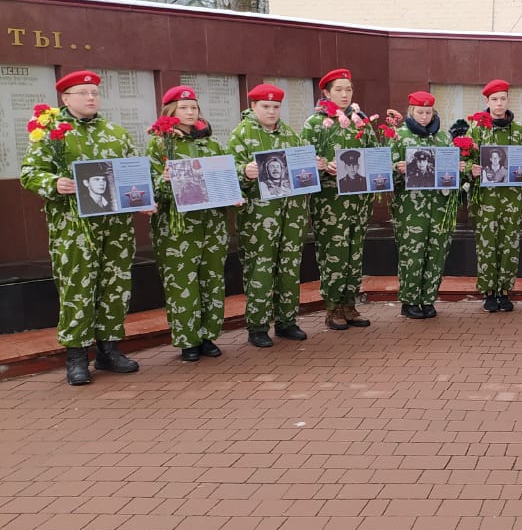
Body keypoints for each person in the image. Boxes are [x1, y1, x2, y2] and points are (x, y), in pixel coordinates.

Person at [19, 70, 142, 385]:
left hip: (116, 227)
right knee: (78, 287)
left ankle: (109, 350)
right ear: (65, 98)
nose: (91, 98)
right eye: (83, 93)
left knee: (115, 284)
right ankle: (76, 357)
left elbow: (133, 173)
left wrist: (143, 196)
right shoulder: (52, 133)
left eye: (95, 93)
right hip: (74, 227)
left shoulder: (116, 133)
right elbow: (29, 173)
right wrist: (54, 183)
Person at [147, 86, 233, 363]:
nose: (190, 112)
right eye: (183, 108)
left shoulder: (212, 144)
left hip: (212, 224)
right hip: (178, 228)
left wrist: (233, 191)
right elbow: (148, 189)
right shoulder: (159, 145)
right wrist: (163, 181)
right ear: (170, 111)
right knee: (182, 282)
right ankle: (188, 340)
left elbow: (226, 179)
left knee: (212, 279)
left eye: (193, 107)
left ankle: (208, 335)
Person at [227, 83, 316, 348]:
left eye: (276, 107)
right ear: (253, 106)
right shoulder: (241, 135)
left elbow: (301, 170)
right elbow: (226, 178)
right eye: (265, 106)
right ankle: (258, 326)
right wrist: (244, 172)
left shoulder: (289, 133)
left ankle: (287, 321)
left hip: (291, 214)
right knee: (260, 269)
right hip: (259, 217)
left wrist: (313, 166)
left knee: (289, 267)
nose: (271, 111)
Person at [302, 68, 375, 330]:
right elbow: (303, 162)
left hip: (358, 200)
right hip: (330, 202)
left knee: (354, 253)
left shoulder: (361, 121)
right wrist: (322, 165)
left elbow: (374, 154)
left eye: (349, 89)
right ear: (326, 92)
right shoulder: (316, 123)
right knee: (334, 253)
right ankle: (332, 308)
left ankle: (349, 304)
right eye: (339, 90)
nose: (345, 95)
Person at [468, 80, 522, 312]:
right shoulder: (476, 130)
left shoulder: (519, 132)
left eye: (503, 98)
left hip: (512, 200)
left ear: (508, 100)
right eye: (494, 99)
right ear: (487, 101)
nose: (499, 103)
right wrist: (470, 169)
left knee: (509, 245)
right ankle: (488, 292)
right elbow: (464, 160)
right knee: (487, 245)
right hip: (485, 200)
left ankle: (504, 291)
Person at [392, 90, 454, 319]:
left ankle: (428, 299)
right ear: (411, 111)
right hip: (410, 208)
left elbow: (452, 171)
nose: (424, 117)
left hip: (440, 206)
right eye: (420, 112)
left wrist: (458, 169)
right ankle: (409, 300)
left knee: (436, 252)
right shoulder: (399, 136)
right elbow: (383, 172)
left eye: (428, 112)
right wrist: (397, 169)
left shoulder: (443, 138)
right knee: (412, 253)